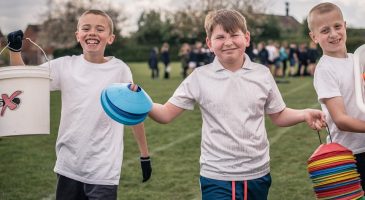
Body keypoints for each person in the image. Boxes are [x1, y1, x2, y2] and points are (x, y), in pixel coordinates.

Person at [148, 9, 326, 200]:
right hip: (218, 175)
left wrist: (304, 113)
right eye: (220, 37)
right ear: (209, 43)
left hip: (259, 173)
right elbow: (166, 113)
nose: (228, 42)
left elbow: (278, 115)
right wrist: (141, 101)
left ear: (247, 38)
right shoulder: (199, 77)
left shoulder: (262, 74)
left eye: (234, 35)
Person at [7, 9, 152, 200]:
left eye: (100, 29)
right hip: (68, 166)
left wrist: (145, 155)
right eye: (86, 28)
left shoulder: (120, 70)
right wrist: (15, 51)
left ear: (110, 38)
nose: (92, 32)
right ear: (78, 35)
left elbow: (133, 113)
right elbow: (24, 80)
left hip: (103, 169)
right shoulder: (64, 66)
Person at [308, 2, 365, 191]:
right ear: (314, 37)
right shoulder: (325, 69)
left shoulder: (356, 60)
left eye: (337, 26)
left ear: (345, 26)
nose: (333, 34)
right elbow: (340, 119)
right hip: (350, 154)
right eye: (325, 30)